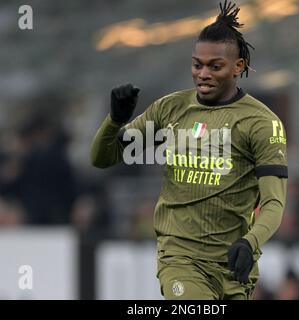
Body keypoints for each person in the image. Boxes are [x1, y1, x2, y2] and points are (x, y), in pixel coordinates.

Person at [90, 0, 288, 300]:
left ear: (238, 67)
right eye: (197, 65)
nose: (203, 74)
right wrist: (115, 120)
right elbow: (102, 157)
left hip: (233, 267)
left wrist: (251, 242)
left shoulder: (261, 123)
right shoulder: (170, 108)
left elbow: (274, 203)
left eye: (215, 66)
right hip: (180, 261)